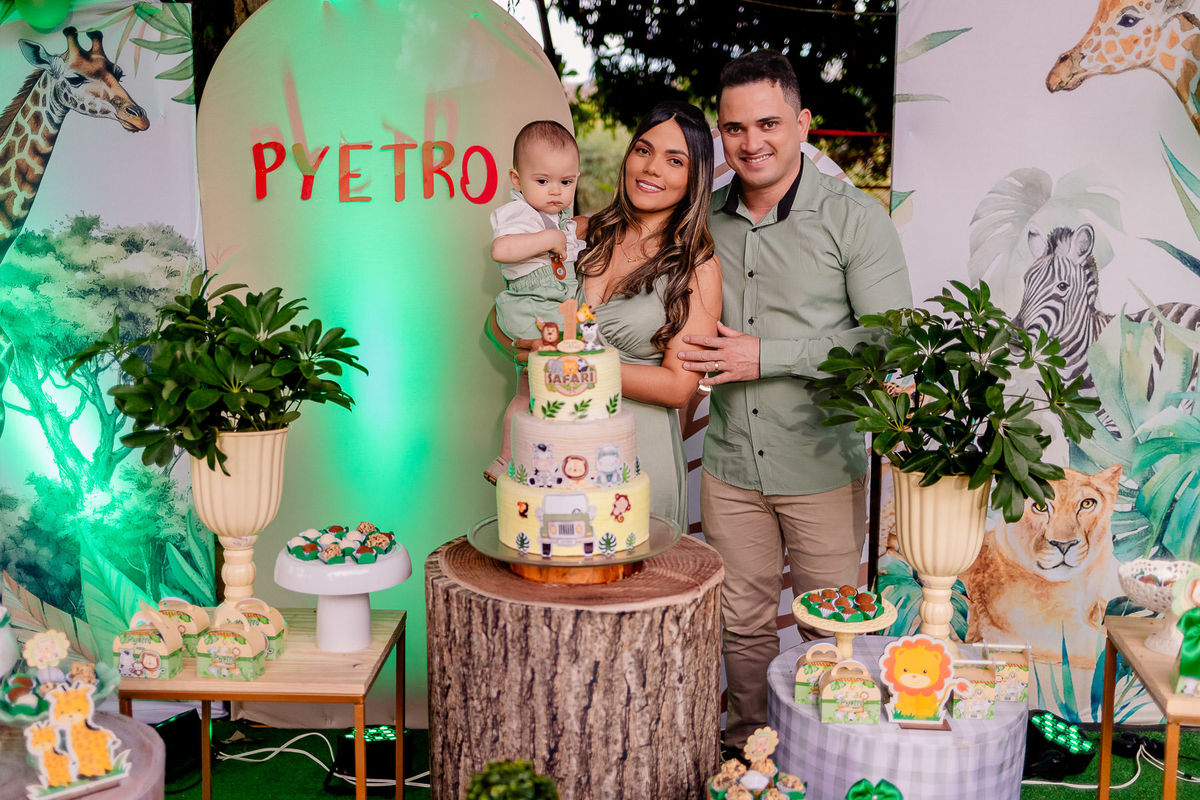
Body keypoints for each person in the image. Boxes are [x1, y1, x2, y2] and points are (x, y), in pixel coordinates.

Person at [677, 50, 912, 749]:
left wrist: (764, 356)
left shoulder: (854, 220)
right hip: (729, 468)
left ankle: (828, 754)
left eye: (769, 124)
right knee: (742, 624)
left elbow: (892, 343)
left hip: (820, 466)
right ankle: (751, 752)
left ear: (804, 124)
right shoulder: (703, 221)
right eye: (735, 128)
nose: (752, 142)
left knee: (828, 625)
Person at [494, 101, 722, 531]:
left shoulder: (697, 266)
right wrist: (519, 345)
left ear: (695, 178)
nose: (652, 168)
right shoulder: (577, 233)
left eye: (675, 161)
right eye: (643, 150)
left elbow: (678, 387)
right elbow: (505, 311)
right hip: (556, 454)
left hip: (636, 457)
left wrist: (575, 361)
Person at [484, 120, 587, 484]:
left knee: (531, 392)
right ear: (517, 180)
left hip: (554, 309)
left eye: (566, 182)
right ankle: (518, 457)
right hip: (530, 307)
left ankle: (514, 461)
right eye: (542, 181)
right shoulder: (519, 214)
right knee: (550, 385)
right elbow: (502, 249)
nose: (555, 191)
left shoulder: (560, 219)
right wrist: (548, 238)